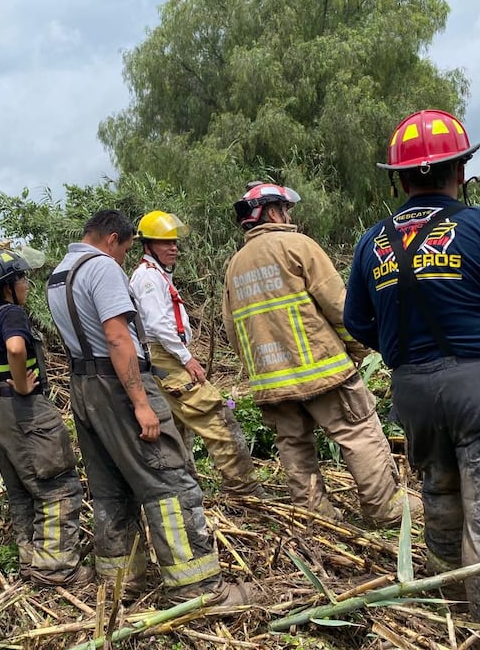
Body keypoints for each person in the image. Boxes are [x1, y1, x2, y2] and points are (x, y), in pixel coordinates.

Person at [344, 109, 480, 650]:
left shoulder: (373, 243)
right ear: (460, 169)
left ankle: (449, 615)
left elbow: (358, 322)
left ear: (400, 179)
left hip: (413, 391)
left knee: (440, 497)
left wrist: (405, 353)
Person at [46, 209, 252, 605]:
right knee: (168, 479)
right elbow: (118, 337)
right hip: (119, 385)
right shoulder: (102, 268)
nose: (123, 257)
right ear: (112, 239)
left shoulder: (59, 275)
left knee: (110, 489)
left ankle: (119, 583)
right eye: (123, 249)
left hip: (84, 389)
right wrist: (141, 403)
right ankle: (197, 587)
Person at [222, 183, 417, 526]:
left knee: (293, 444)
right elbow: (341, 307)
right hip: (323, 369)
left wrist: (260, 372)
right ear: (271, 212)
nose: (289, 215)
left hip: (271, 380)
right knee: (358, 431)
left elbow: (233, 330)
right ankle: (384, 508)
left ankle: (316, 516)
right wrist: (356, 350)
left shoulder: (234, 266)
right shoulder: (298, 246)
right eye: (285, 208)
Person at [0, 246, 92, 587]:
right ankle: (58, 569)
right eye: (22, 278)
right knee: (56, 487)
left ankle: (31, 562)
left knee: (22, 492)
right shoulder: (11, 314)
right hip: (26, 413)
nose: (27, 285)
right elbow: (17, 348)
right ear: (8, 286)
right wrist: (20, 386)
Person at [130, 210, 266, 497]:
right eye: (165, 243)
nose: (173, 248)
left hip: (161, 360)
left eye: (174, 242)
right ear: (147, 246)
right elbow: (158, 325)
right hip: (166, 358)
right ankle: (244, 488)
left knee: (176, 428)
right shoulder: (148, 279)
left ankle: (186, 489)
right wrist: (186, 358)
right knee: (216, 414)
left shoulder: (153, 275)